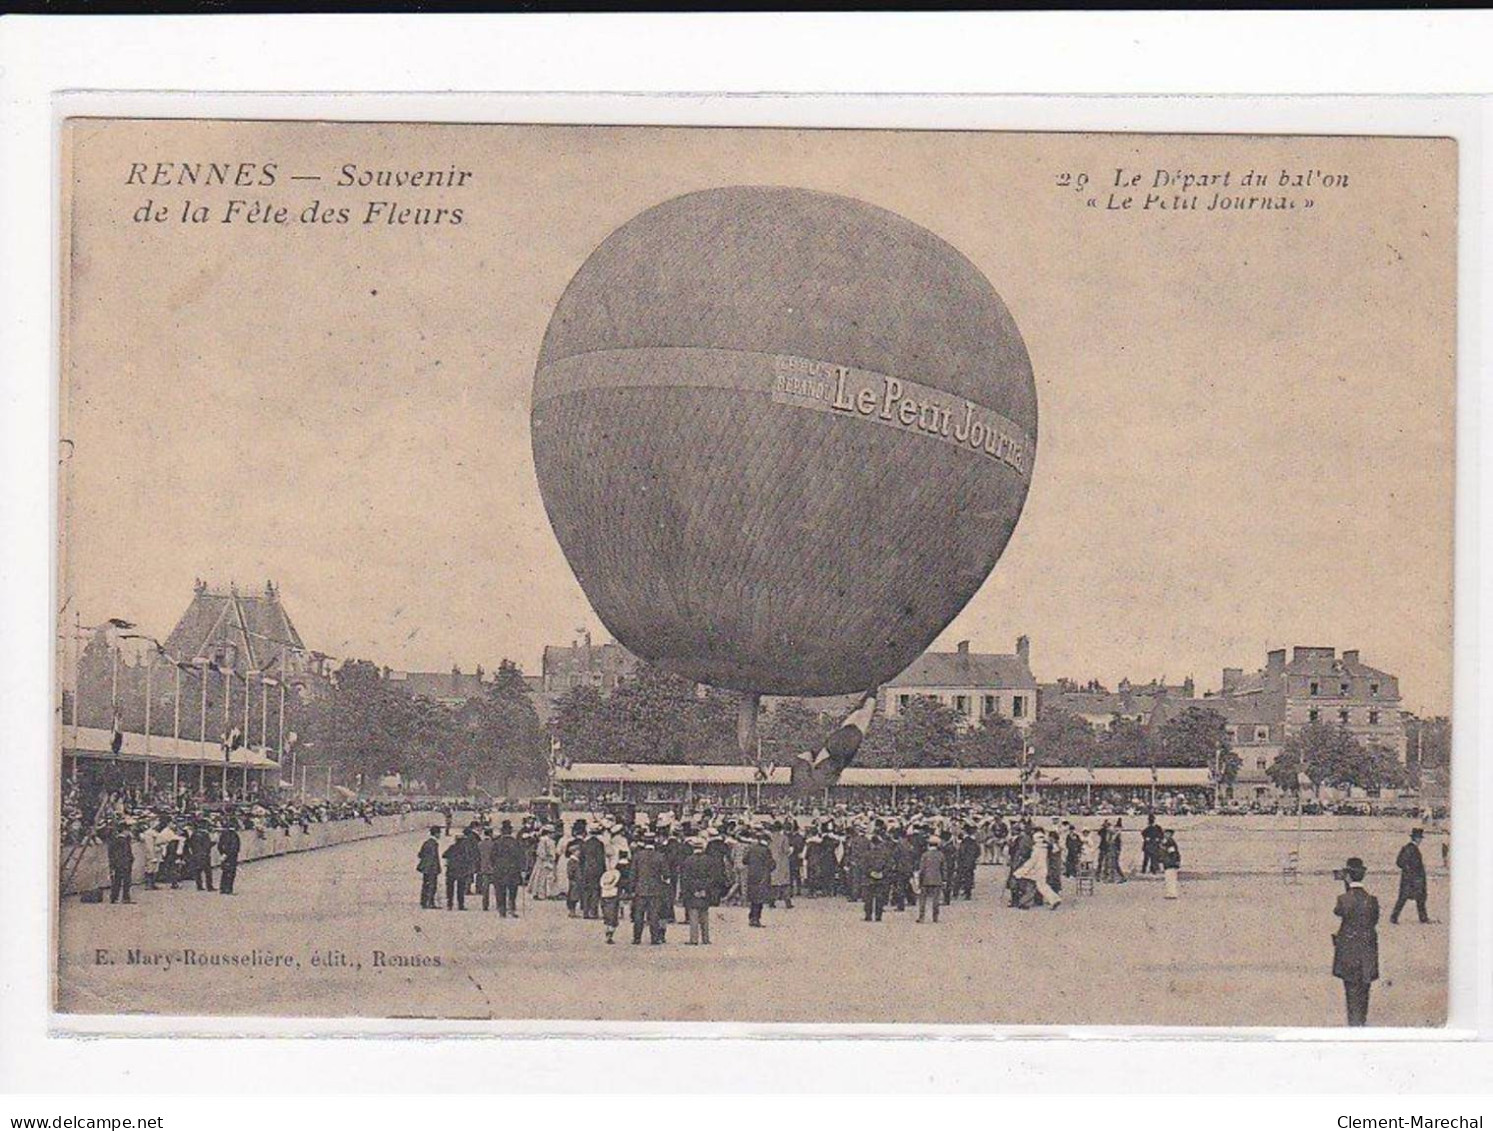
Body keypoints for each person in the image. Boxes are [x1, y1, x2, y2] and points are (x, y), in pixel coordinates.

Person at [1332, 857, 1380, 1027]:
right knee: (1364, 992)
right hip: (1367, 952)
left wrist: (1347, 887)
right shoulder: (1372, 900)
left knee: (1351, 992)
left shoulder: (1343, 899)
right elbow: (1373, 921)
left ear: (1348, 876)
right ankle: (1362, 1023)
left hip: (1349, 954)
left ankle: (1354, 1025)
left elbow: (1339, 911)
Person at [630, 834, 668, 945]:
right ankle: (654, 938)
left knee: (638, 915)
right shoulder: (660, 856)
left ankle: (637, 938)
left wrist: (632, 888)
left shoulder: (638, 856)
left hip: (640, 889)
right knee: (654, 915)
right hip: (655, 889)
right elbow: (666, 874)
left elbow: (633, 873)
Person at [679, 838, 715, 945]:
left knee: (693, 915)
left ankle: (694, 939)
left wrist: (693, 890)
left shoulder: (688, 860)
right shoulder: (709, 860)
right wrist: (704, 888)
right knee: (704, 914)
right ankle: (706, 938)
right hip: (705, 891)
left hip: (692, 891)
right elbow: (712, 877)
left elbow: (685, 878)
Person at [1390, 828, 1429, 925]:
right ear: (1416, 839)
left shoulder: (1408, 848)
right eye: (1419, 838)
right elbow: (1401, 862)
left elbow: (1400, 862)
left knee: (1417, 898)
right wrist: (1410, 870)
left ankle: (1422, 918)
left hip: (1411, 878)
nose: (1420, 840)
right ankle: (1394, 917)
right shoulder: (1411, 849)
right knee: (1407, 898)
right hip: (1412, 879)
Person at [493, 820, 526, 917]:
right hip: (513, 870)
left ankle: (501, 909)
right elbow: (521, 856)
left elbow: (492, 856)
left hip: (499, 869)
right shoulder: (515, 843)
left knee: (500, 890)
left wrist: (496, 865)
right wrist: (523, 869)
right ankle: (511, 908)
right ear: (511, 831)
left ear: (502, 831)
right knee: (512, 890)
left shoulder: (497, 842)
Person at [742, 830, 774, 928]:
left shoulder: (751, 848)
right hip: (762, 876)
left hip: (752, 875)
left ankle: (752, 917)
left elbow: (744, 860)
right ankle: (756, 919)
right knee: (759, 898)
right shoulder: (766, 850)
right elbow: (771, 864)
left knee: (753, 897)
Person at [861, 828, 892, 922]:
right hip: (881, 879)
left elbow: (863, 867)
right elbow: (889, 866)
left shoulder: (866, 854)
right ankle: (878, 916)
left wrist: (871, 873)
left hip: (868, 879)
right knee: (880, 898)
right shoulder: (886, 854)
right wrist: (882, 873)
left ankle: (868, 916)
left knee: (868, 899)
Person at [916, 836, 946, 923]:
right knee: (936, 899)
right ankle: (935, 917)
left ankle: (921, 917)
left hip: (925, 879)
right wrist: (944, 879)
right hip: (937, 879)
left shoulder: (925, 855)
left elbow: (922, 869)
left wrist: (919, 880)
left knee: (923, 899)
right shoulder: (941, 855)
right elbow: (943, 868)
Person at [106, 823, 134, 905]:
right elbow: (124, 853)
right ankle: (125, 898)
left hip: (119, 863)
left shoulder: (116, 840)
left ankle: (114, 897)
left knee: (117, 880)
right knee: (126, 881)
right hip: (124, 863)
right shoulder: (123, 841)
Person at [528, 827, 559, 900]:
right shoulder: (544, 840)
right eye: (552, 833)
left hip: (547, 860)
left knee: (545, 878)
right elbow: (541, 852)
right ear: (548, 833)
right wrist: (547, 857)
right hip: (544, 861)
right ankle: (541, 894)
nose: (553, 834)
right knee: (542, 878)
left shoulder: (550, 841)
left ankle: (545, 893)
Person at [417, 826, 442, 909]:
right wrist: (437, 868)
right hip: (431, 868)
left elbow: (420, 854)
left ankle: (424, 902)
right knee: (432, 886)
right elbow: (434, 857)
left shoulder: (426, 842)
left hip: (425, 868)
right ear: (436, 833)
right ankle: (430, 903)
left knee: (425, 885)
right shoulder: (434, 844)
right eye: (439, 833)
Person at [599, 857, 623, 944]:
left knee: (607, 914)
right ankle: (610, 932)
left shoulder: (605, 875)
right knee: (613, 914)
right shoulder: (616, 875)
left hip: (604, 894)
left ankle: (608, 929)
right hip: (613, 894)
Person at [186, 821, 215, 891]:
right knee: (208, 871)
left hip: (196, 854)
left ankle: (199, 886)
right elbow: (207, 845)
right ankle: (209, 886)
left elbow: (190, 844)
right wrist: (213, 843)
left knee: (198, 871)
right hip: (204, 855)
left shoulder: (194, 834)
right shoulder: (205, 835)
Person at [217, 818, 242, 895]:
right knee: (230, 873)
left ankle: (223, 888)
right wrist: (229, 854)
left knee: (225, 872)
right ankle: (228, 889)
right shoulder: (234, 835)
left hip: (224, 855)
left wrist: (222, 853)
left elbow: (219, 845)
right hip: (231, 856)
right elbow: (234, 847)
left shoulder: (223, 834)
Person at [1160, 829, 1181, 899]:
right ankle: (1170, 893)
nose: (1165, 835)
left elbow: (1172, 853)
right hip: (1169, 863)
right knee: (1169, 879)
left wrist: (1173, 861)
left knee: (1170, 879)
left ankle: (1171, 894)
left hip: (1170, 863)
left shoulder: (1170, 842)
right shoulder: (1167, 842)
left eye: (1167, 833)